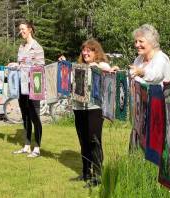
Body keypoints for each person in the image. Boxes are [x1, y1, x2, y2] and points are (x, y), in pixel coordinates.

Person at [69, 39, 118, 188]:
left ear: (96, 52)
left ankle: (98, 175)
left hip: (94, 109)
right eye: (84, 50)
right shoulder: (79, 67)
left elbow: (109, 76)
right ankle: (86, 173)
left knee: (94, 141)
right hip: (79, 108)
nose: (85, 53)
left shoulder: (101, 65)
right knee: (83, 140)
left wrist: (106, 70)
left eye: (89, 50)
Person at [129, 24, 170, 149]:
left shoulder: (161, 58)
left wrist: (141, 72)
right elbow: (132, 76)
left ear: (151, 42)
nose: (137, 45)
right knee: (135, 149)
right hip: (139, 112)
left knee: (151, 149)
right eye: (136, 41)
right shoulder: (139, 59)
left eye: (141, 41)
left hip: (156, 113)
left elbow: (156, 76)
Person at [9, 20, 45, 158]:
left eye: (23, 29)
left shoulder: (37, 47)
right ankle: (26, 146)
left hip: (33, 87)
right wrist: (15, 64)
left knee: (35, 117)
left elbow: (39, 68)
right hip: (21, 87)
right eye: (20, 29)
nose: (21, 31)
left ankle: (37, 147)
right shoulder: (21, 47)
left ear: (30, 29)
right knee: (25, 117)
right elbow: (20, 63)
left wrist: (22, 67)